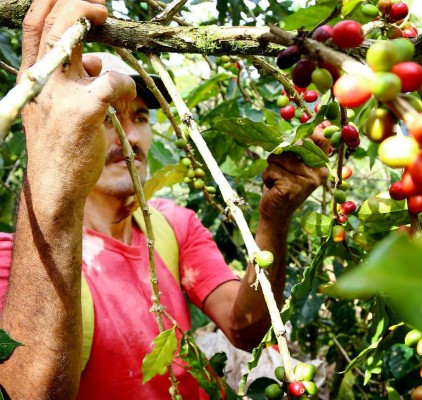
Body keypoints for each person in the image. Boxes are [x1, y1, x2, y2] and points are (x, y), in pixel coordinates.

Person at [0, 0, 329, 399]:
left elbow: (247, 328)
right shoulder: (17, 259)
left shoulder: (174, 224)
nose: (131, 137)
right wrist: (51, 177)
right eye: (108, 117)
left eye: (139, 117)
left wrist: (274, 219)